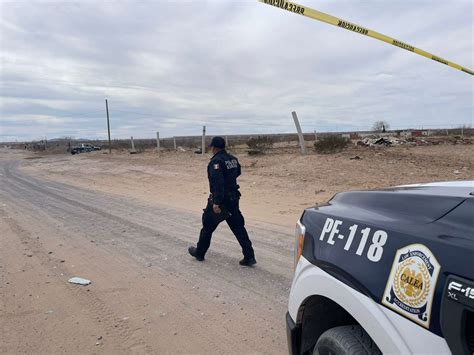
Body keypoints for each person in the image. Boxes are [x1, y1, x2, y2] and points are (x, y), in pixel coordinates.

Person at [188, 136, 256, 266]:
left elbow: (218, 183)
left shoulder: (216, 162)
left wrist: (216, 203)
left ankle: (200, 253)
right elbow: (237, 173)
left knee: (207, 226)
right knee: (239, 228)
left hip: (221, 200)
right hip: (233, 198)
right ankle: (249, 256)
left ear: (214, 147)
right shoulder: (233, 159)